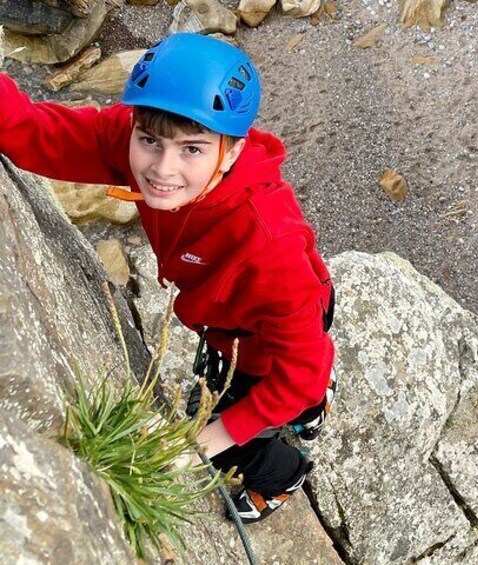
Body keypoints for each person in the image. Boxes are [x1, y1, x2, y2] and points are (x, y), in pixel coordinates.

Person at [0, 32, 336, 524]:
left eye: (192, 150)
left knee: (238, 434)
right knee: (289, 388)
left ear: (233, 152)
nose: (162, 169)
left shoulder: (268, 247)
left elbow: (300, 370)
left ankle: (283, 475)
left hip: (260, 337)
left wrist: (201, 442)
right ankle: (309, 412)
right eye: (149, 141)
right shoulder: (143, 142)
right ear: (136, 126)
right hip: (247, 320)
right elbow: (40, 133)